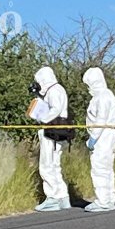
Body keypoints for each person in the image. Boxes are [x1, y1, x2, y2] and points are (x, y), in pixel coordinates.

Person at [32, 66, 71, 212]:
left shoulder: (54, 90)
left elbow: (55, 109)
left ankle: (52, 198)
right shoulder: (57, 89)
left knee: (47, 165)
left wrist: (43, 119)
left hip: (51, 132)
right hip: (57, 133)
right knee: (55, 165)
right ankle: (62, 197)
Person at [83, 67, 115, 212]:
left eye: (88, 84)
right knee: (107, 169)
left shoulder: (103, 97)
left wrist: (93, 138)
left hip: (103, 135)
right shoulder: (106, 95)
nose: (88, 88)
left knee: (99, 168)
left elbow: (100, 120)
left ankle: (103, 200)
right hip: (107, 134)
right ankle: (109, 199)